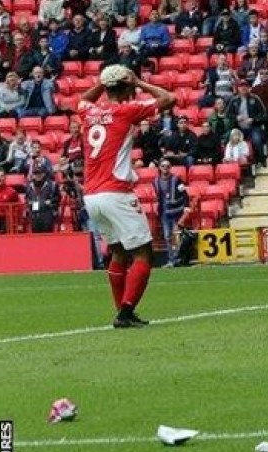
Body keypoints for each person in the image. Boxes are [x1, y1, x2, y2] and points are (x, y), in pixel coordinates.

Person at [78, 64, 177, 328]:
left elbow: (83, 100)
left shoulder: (88, 112)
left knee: (118, 252)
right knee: (144, 253)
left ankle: (122, 310)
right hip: (116, 192)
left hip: (91, 195)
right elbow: (170, 99)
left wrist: (103, 82)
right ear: (125, 87)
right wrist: (141, 83)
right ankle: (126, 310)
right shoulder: (126, 111)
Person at [154, 160, 189, 267]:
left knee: (176, 235)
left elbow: (185, 194)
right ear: (159, 167)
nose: (165, 168)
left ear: (170, 167)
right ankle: (171, 259)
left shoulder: (177, 180)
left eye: (167, 166)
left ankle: (178, 258)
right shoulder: (155, 181)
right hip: (164, 213)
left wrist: (186, 206)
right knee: (167, 236)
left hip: (176, 211)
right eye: (163, 166)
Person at [25, 167, 59, 233]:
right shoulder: (29, 185)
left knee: (47, 237)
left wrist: (50, 201)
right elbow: (27, 198)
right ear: (33, 175)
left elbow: (58, 198)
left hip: (47, 213)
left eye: (40, 173)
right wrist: (29, 202)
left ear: (44, 174)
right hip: (34, 214)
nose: (38, 175)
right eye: (35, 173)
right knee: (35, 238)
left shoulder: (52, 185)